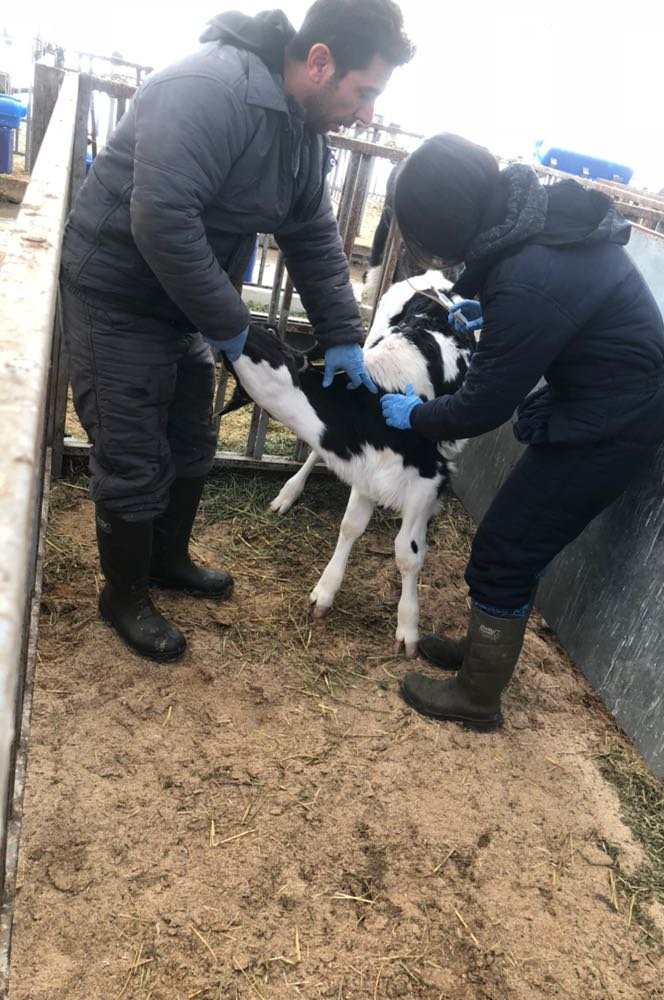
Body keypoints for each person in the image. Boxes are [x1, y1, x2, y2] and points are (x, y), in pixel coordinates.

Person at [60, 0, 414, 663]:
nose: (367, 113)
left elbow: (311, 235)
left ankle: (166, 561)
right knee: (132, 446)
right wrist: (235, 327)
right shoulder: (206, 91)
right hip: (119, 292)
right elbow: (162, 220)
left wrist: (343, 335)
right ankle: (124, 596)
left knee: (192, 435)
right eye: (364, 92)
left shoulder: (302, 134)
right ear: (319, 61)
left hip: (186, 301)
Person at [381, 133, 664, 731]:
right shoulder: (534, 226)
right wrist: (493, 312)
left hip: (605, 429)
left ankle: (477, 697)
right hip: (601, 407)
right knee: (510, 542)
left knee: (506, 552)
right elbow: (564, 305)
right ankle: (480, 653)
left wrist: (415, 416)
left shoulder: (528, 274)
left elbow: (480, 406)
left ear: (445, 223)